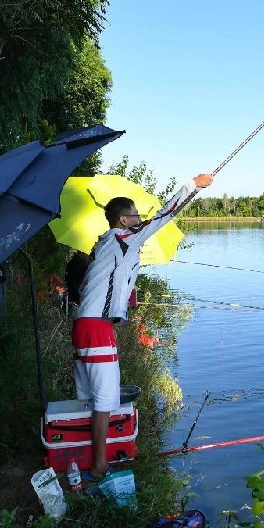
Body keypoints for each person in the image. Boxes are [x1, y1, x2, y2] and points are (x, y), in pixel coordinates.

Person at [72, 173, 213, 481]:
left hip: (83, 325)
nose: (139, 219)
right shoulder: (124, 238)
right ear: (123, 220)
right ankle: (98, 467)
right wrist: (193, 186)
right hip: (97, 329)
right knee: (105, 401)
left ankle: (81, 458)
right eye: (135, 215)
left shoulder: (107, 243)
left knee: (89, 398)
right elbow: (164, 216)